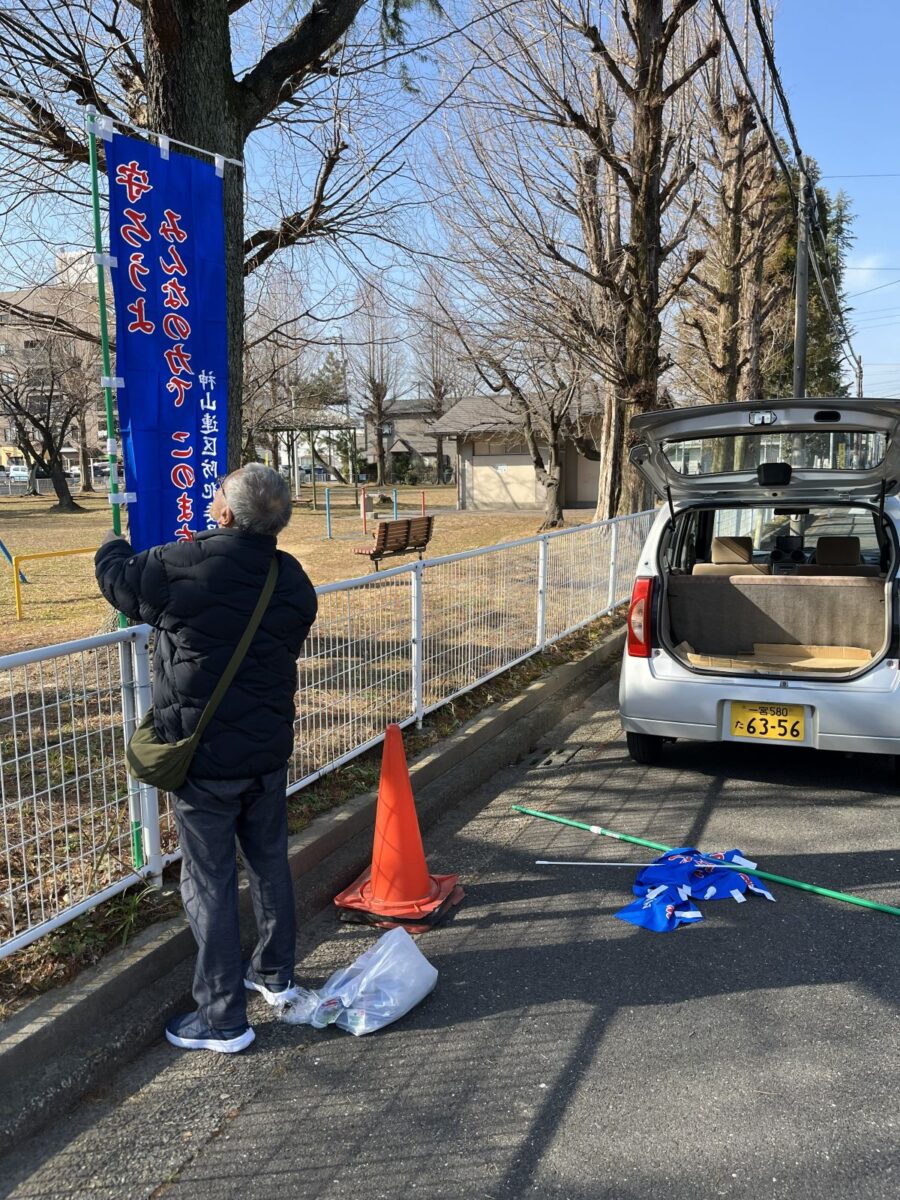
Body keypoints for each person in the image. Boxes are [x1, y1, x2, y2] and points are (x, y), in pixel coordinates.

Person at [95, 463, 318, 1053]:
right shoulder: (291, 578)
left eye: (217, 492)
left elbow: (118, 580)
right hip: (266, 751)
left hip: (204, 757)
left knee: (210, 881)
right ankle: (274, 975)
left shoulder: (178, 564)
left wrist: (114, 537)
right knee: (269, 862)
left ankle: (222, 1020)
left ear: (223, 512)